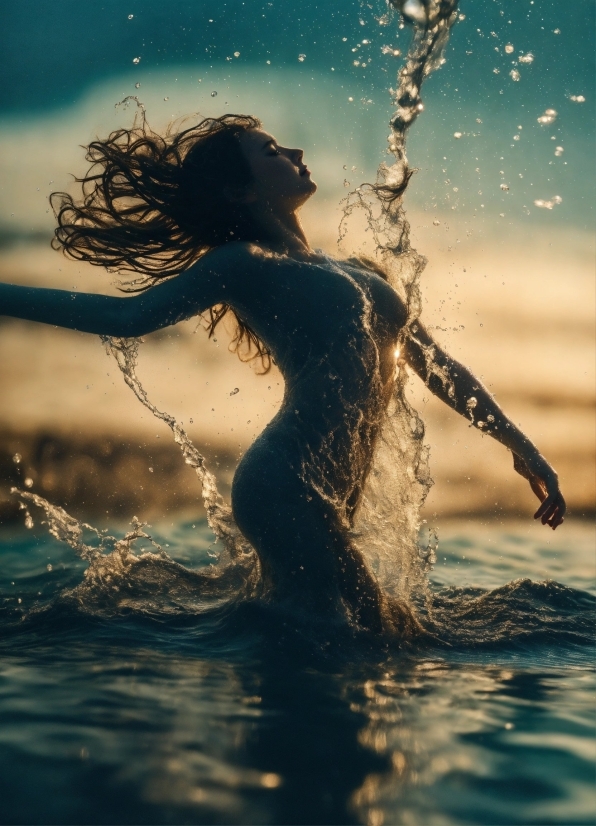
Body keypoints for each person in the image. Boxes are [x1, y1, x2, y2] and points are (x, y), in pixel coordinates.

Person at [0, 114, 565, 634]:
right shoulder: (243, 263)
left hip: (320, 492)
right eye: (270, 150)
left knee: (344, 635)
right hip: (282, 484)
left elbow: (441, 367)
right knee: (381, 635)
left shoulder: (357, 270)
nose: (293, 150)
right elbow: (124, 317)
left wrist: (520, 445)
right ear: (242, 190)